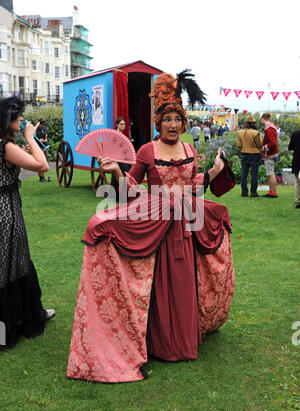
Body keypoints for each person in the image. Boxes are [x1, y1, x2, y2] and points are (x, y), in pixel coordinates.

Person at [66, 71, 235, 383]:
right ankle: (156, 343)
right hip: (155, 225)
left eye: (177, 119)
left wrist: (212, 172)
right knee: (154, 282)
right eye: (167, 119)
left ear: (184, 124)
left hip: (184, 226)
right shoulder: (147, 151)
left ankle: (182, 342)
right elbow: (131, 188)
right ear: (159, 122)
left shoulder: (189, 151)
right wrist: (116, 170)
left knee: (183, 282)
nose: (172, 125)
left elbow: (195, 187)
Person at [0, 96, 55, 350]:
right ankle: (26, 319)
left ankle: (14, 320)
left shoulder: (5, 147)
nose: (22, 118)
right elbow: (42, 166)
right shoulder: (6, 146)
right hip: (7, 212)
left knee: (6, 266)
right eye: (18, 115)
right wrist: (30, 137)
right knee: (16, 264)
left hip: (5, 207)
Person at [237, 115, 263, 197]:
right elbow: (259, 144)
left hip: (244, 154)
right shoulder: (256, 133)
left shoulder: (240, 132)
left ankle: (244, 192)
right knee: (254, 174)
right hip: (254, 154)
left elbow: (238, 145)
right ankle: (253, 192)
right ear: (252, 124)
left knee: (244, 174)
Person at [110, 117, 133, 199]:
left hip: (123, 158)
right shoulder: (115, 135)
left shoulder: (123, 135)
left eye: (124, 124)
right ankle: (119, 195)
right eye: (121, 124)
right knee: (124, 171)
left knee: (129, 170)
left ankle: (122, 194)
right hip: (117, 158)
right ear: (117, 125)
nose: (123, 126)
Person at [261, 113, 279, 198]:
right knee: (269, 174)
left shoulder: (269, 129)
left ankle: (274, 193)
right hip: (271, 154)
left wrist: (264, 147)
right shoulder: (271, 127)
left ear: (263, 119)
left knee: (271, 174)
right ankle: (271, 191)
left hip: (270, 155)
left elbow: (273, 143)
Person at [35, 118, 50, 183]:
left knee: (44, 161)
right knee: (40, 161)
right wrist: (39, 139)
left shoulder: (44, 128)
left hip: (45, 146)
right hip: (39, 147)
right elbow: (33, 137)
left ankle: (42, 176)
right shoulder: (36, 129)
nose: (42, 125)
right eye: (41, 124)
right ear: (39, 123)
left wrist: (47, 139)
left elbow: (48, 136)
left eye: (43, 124)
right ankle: (41, 177)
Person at [288, 129, 300, 209]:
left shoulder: (295, 133)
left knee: (297, 182)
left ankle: (298, 201)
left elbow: (290, 147)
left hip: (297, 160)